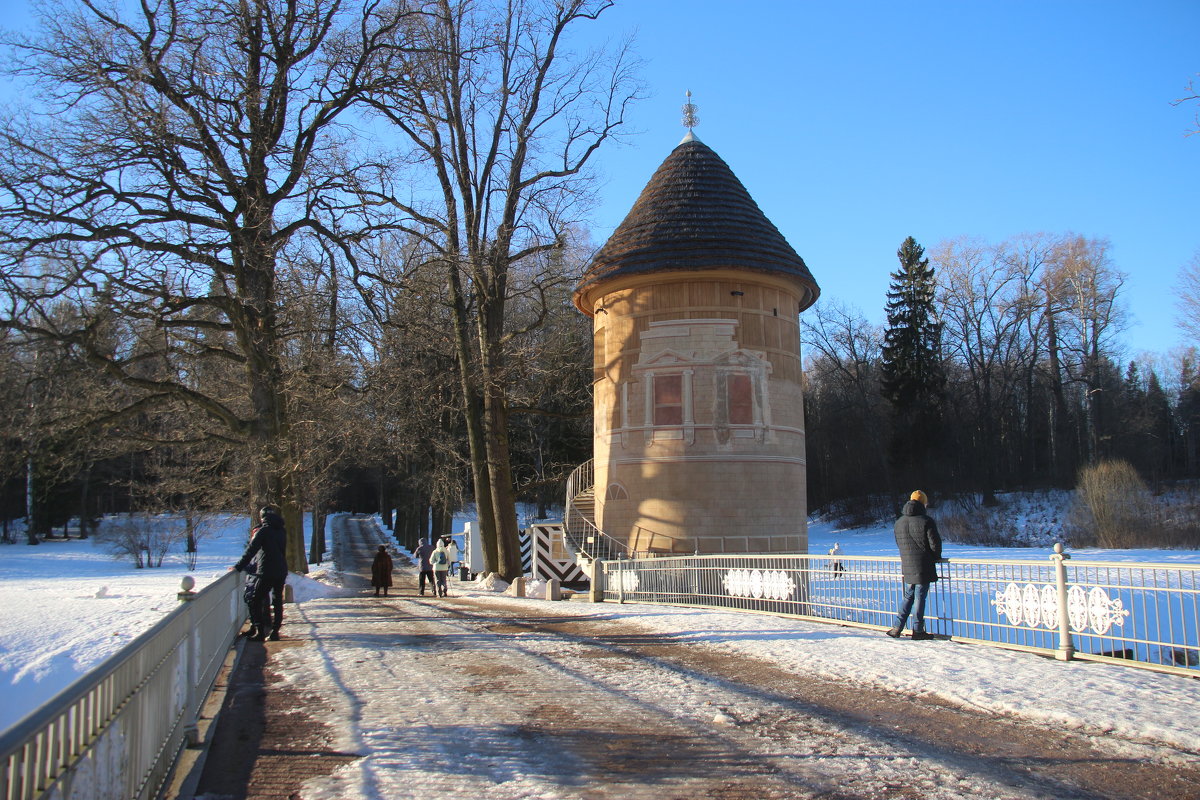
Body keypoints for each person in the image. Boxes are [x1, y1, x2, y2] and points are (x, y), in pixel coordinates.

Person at [887, 490, 943, 641]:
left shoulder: (899, 522)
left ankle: (897, 627)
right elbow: (935, 544)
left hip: (907, 565)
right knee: (920, 598)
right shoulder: (926, 520)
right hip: (923, 565)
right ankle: (918, 630)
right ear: (923, 503)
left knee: (908, 596)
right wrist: (935, 557)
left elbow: (899, 544)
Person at [234, 506, 289, 642]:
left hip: (266, 571)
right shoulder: (281, 530)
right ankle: (275, 632)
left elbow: (251, 551)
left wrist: (238, 567)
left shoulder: (263, 531)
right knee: (277, 602)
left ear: (262, 517)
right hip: (281, 570)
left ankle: (259, 630)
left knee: (254, 599)